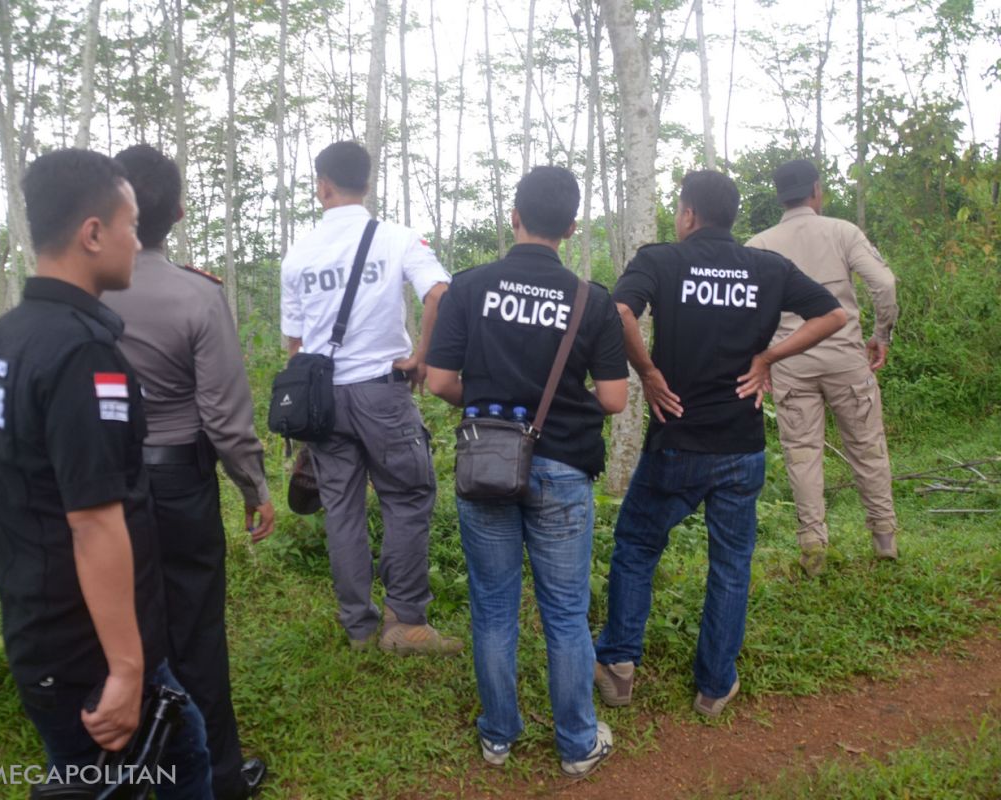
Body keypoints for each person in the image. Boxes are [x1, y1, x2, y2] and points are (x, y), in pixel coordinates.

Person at [0, 148, 212, 797]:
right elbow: (95, 522)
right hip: (93, 648)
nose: (139, 240)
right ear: (93, 233)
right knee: (175, 767)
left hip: (38, 627)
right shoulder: (83, 358)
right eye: (130, 225)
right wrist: (128, 669)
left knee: (100, 771)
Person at [593, 170, 847, 719]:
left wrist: (648, 372)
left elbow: (617, 312)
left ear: (687, 214)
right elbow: (834, 314)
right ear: (732, 216)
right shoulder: (767, 267)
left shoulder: (661, 259)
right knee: (731, 563)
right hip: (740, 443)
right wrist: (768, 359)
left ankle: (617, 667)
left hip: (676, 439)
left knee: (637, 548)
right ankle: (714, 686)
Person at [426, 166, 629, 776]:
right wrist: (565, 412)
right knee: (565, 612)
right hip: (564, 470)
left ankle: (498, 736)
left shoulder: (468, 286)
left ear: (512, 216)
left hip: (486, 462)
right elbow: (616, 399)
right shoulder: (592, 301)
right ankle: (576, 744)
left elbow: (438, 381)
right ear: (571, 227)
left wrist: (491, 406)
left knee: (492, 605)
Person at [101, 144, 271, 800]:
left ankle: (132, 770)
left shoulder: (84, 297)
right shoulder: (196, 297)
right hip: (178, 488)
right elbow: (225, 417)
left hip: (101, 489)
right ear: (174, 211)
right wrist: (254, 487)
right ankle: (216, 779)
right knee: (196, 632)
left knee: (122, 628)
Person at [279, 140, 461, 655]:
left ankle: (358, 627)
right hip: (384, 394)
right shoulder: (398, 238)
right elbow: (441, 294)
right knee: (406, 498)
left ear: (323, 185)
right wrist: (423, 355)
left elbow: (295, 347)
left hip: (323, 402)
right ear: (367, 183)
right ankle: (405, 623)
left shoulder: (298, 254)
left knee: (341, 508)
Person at [746, 159, 900, 576]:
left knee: (802, 455)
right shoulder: (841, 231)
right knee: (867, 447)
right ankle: (884, 538)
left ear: (778, 195)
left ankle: (813, 547)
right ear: (816, 190)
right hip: (844, 355)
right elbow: (884, 285)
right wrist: (880, 334)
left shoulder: (758, 244)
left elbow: (749, 310)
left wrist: (762, 357)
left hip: (790, 360)